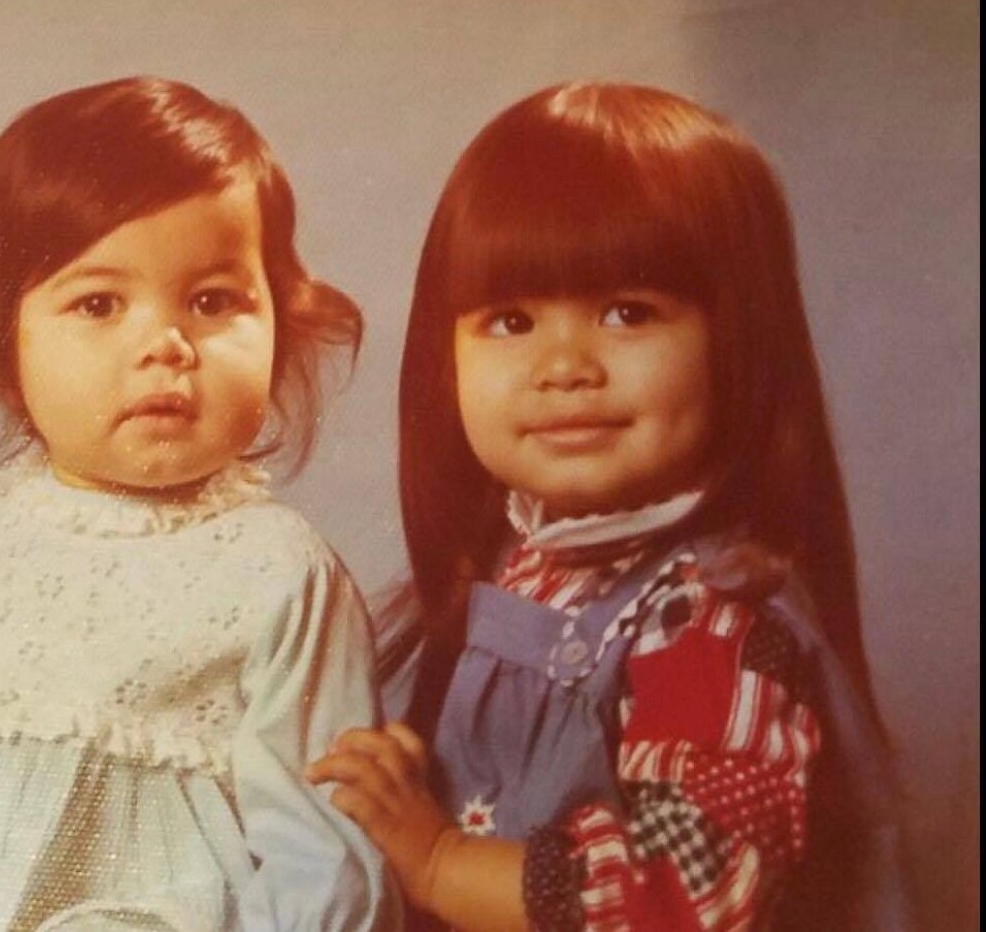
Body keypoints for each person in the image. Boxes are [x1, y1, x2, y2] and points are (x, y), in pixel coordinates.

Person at [0, 77, 399, 931]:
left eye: (214, 301)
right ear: (9, 340)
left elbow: (320, 845)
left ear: (280, 323)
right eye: (99, 303)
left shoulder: (277, 568)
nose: (165, 346)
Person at [308, 83, 912, 930]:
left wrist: (439, 858)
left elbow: (689, 892)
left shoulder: (712, 617)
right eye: (510, 320)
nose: (564, 366)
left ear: (738, 342)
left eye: (627, 313)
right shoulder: (523, 566)